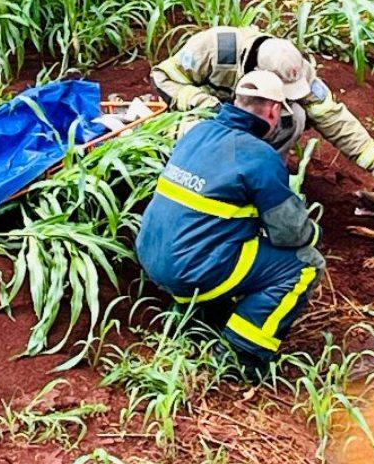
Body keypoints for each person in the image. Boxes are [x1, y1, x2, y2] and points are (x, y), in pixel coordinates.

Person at [135, 71, 325, 376]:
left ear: (237, 101)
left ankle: (202, 321)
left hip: (151, 256)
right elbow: (291, 233)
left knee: (225, 237)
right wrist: (314, 232)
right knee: (305, 264)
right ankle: (241, 357)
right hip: (190, 269)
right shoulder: (259, 156)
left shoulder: (197, 131)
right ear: (274, 110)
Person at [150, 25, 374, 196]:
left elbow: (333, 118)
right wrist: (201, 102)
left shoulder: (297, 69)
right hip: (207, 118)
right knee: (193, 129)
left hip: (247, 120)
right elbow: (163, 76)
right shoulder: (215, 48)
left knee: (296, 117)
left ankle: (263, 180)